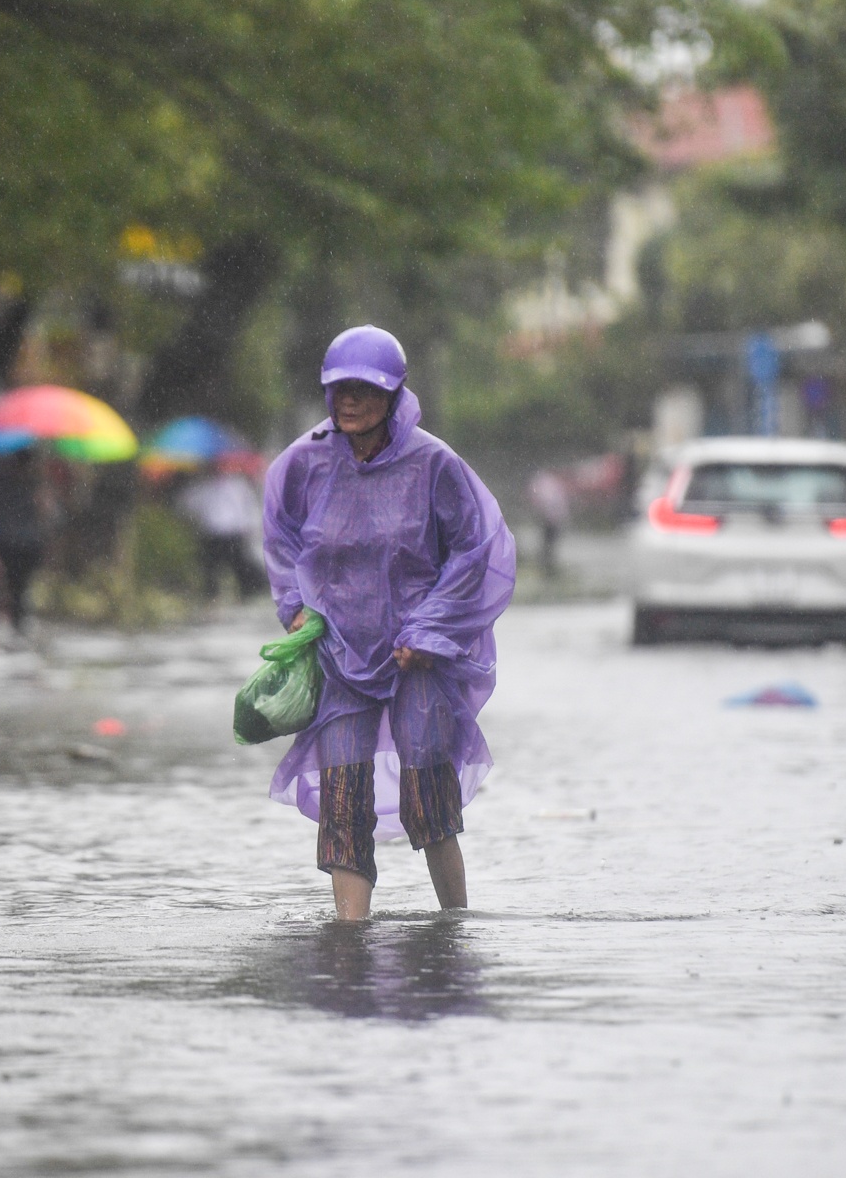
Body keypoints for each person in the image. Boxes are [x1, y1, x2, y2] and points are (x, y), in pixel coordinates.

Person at [263, 325, 516, 921]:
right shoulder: (303, 464)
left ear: (395, 395)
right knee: (343, 800)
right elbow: (281, 542)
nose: (350, 402)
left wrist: (429, 632)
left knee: (428, 794)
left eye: (365, 391)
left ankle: (454, 924)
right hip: (337, 654)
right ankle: (350, 936)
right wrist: (296, 608)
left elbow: (473, 551)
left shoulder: (435, 465)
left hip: (417, 657)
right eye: (339, 390)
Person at [0, 446, 47, 636]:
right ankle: (12, 623)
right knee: (17, 588)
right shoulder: (29, 484)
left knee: (8, 586)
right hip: (21, 544)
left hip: (11, 543)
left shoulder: (4, 483)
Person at [178, 460, 266, 600]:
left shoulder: (236, 485)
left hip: (232, 531)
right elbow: (190, 505)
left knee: (238, 563)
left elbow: (247, 506)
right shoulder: (203, 485)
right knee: (211, 565)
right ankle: (211, 593)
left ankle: (248, 590)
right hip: (211, 532)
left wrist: (250, 525)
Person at [527, 468, 570, 577]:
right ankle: (547, 563)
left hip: (550, 519)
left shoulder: (541, 483)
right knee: (549, 543)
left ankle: (546, 563)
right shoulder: (550, 482)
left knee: (547, 542)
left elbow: (542, 501)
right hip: (554, 519)